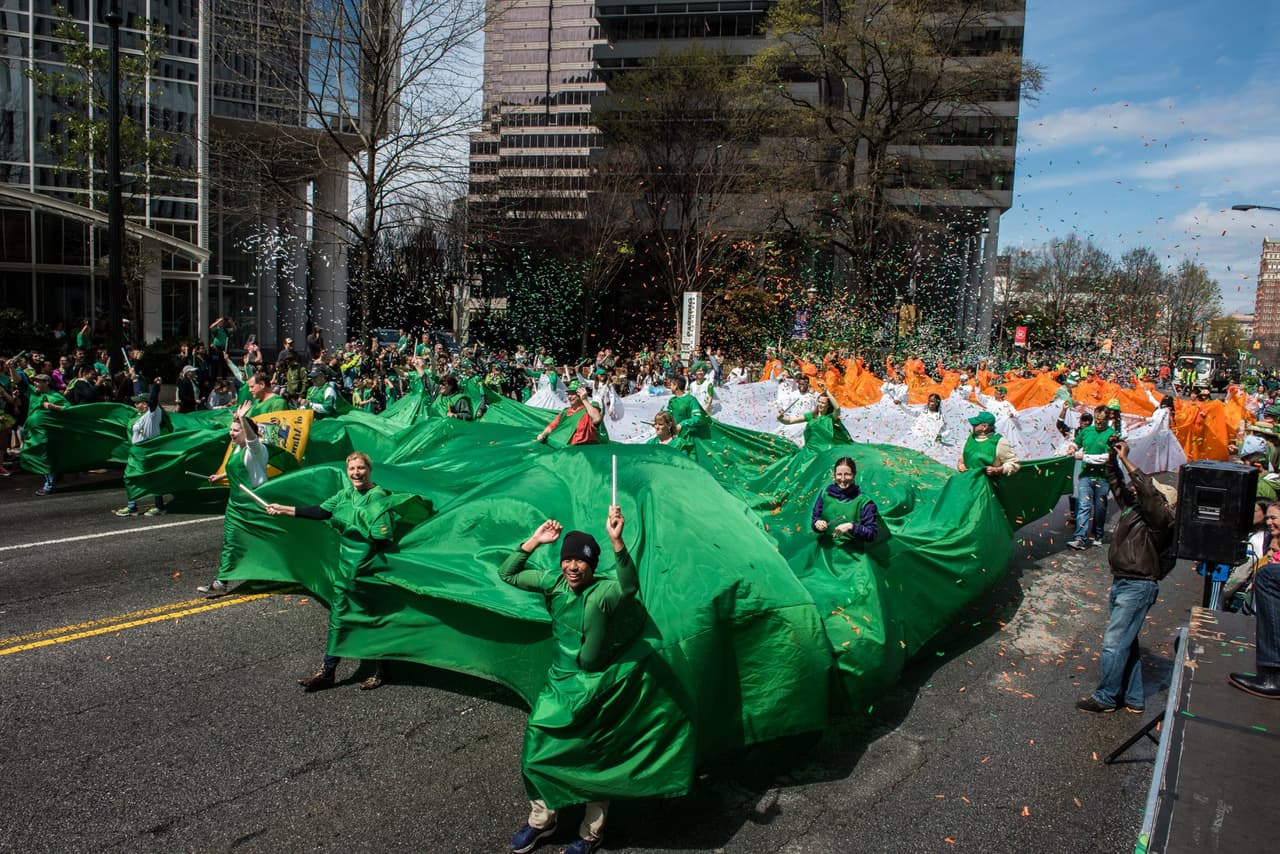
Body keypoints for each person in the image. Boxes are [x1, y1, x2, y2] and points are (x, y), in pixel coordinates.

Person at [501, 505, 634, 854]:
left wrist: (617, 542)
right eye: (569, 560)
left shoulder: (603, 591)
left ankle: (592, 834)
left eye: (582, 562)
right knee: (536, 751)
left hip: (594, 685)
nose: (574, 567)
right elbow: (508, 574)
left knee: (592, 759)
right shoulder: (552, 581)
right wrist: (535, 540)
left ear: (592, 566)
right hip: (559, 683)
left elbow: (630, 586)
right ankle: (543, 821)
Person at [265, 452, 395, 692]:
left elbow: (383, 538)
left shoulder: (378, 497)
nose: (356, 473)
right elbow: (321, 512)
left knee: (369, 620)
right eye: (352, 469)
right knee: (338, 618)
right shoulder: (346, 494)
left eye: (361, 468)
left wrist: (368, 561)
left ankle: (382, 670)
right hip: (345, 569)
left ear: (370, 469)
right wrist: (283, 509)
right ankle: (328, 671)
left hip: (366, 571)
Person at [1076, 439, 1177, 713]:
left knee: (1113, 644)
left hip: (1138, 585)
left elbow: (1145, 489)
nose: (1137, 491)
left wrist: (1128, 461)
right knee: (1126, 644)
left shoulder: (1161, 519)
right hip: (1123, 582)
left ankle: (1106, 697)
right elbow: (1119, 485)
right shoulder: (1135, 513)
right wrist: (1113, 459)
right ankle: (1133, 698)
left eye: (1149, 492)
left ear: (1160, 500)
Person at [196, 402, 270, 594]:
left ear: (246, 431)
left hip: (254, 504)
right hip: (235, 503)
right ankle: (221, 581)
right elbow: (237, 468)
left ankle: (264, 576)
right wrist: (220, 476)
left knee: (257, 542)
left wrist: (243, 419)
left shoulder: (257, 449)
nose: (232, 434)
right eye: (231, 430)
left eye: (236, 430)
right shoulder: (237, 448)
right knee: (231, 542)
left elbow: (253, 441)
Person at [114, 376, 166, 517]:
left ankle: (159, 506)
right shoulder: (140, 416)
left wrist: (156, 386)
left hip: (148, 451)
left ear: (145, 404)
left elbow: (153, 400)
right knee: (130, 478)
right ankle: (132, 506)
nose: (135, 405)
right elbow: (140, 393)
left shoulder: (152, 415)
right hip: (136, 452)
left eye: (138, 403)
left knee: (151, 479)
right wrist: (135, 379)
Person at [1068, 405, 1117, 550]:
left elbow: (1107, 457)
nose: (1099, 423)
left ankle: (1098, 534)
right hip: (1085, 476)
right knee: (1084, 506)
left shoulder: (1112, 435)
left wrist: (1085, 457)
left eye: (1102, 421)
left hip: (1102, 478)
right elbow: (1076, 442)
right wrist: (1072, 447)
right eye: (1097, 420)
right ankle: (1079, 538)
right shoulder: (1086, 431)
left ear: (1108, 420)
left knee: (1100, 508)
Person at [811, 457, 878, 545]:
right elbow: (815, 518)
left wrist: (851, 526)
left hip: (852, 552)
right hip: (825, 548)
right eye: (839, 474)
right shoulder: (825, 494)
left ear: (854, 475)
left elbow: (871, 534)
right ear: (834, 475)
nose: (842, 479)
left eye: (847, 474)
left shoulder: (865, 503)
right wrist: (817, 524)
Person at [28, 373, 68, 495]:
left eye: (38, 381)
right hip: (36, 434)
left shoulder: (55, 396)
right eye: (34, 381)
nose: (35, 383)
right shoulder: (35, 393)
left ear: (46, 383)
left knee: (46, 459)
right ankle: (55, 477)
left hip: (48, 434)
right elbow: (18, 381)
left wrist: (52, 406)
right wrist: (11, 367)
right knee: (44, 458)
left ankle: (49, 486)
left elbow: (68, 409)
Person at [537, 382, 602, 446]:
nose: (569, 397)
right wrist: (542, 435)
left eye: (573, 394)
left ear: (580, 394)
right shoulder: (565, 412)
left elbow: (597, 419)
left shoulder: (589, 409)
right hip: (568, 450)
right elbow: (552, 426)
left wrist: (584, 400)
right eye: (568, 394)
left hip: (585, 451)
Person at [956, 411, 1019, 477]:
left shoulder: (999, 442)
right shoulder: (970, 438)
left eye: (975, 424)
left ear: (985, 427)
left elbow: (1014, 463)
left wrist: (997, 470)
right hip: (968, 480)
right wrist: (960, 464)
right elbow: (963, 457)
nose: (972, 426)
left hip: (986, 483)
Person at [778, 391, 851, 447]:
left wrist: (826, 391)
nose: (820, 404)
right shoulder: (811, 415)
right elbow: (790, 421)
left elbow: (837, 408)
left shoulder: (831, 417)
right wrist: (781, 418)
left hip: (825, 448)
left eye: (823, 403)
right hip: (810, 448)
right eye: (819, 402)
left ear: (828, 405)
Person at [664, 375, 709, 440]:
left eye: (671, 385)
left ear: (676, 386)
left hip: (689, 436)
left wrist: (682, 424)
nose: (669, 387)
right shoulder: (672, 400)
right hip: (674, 435)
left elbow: (697, 418)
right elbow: (669, 414)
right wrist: (661, 421)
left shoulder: (691, 400)